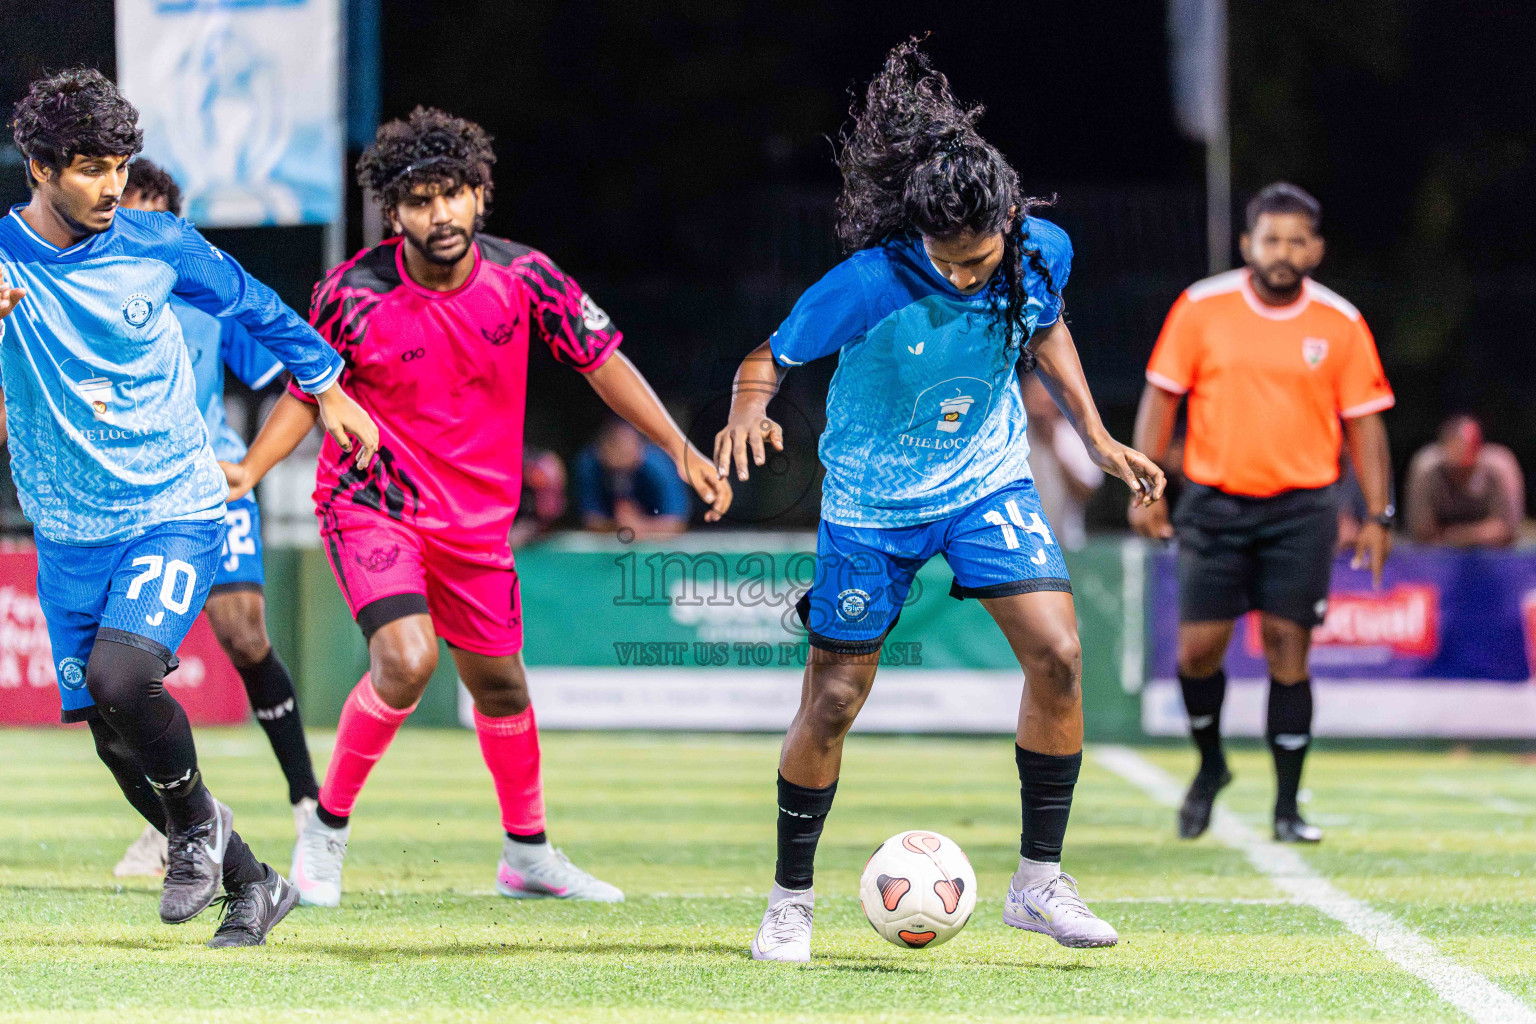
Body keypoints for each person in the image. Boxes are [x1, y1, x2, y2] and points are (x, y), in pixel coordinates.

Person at [716, 41, 1165, 963]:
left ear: (1008, 215)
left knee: (1061, 656)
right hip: (872, 504)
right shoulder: (870, 282)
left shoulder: (1041, 250)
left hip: (985, 481)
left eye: (977, 258)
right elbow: (766, 358)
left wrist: (1095, 435)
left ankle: (1039, 885)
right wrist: (746, 410)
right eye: (946, 260)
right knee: (835, 698)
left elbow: (1045, 330)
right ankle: (789, 901)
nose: (963, 275)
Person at [221, 107, 731, 907]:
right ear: (393, 213)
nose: (441, 213)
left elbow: (604, 364)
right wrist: (251, 470)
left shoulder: (527, 277)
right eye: (419, 200)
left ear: (481, 195)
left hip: (475, 524)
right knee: (408, 660)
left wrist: (679, 447)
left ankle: (526, 854)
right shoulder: (349, 293)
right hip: (371, 505)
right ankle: (325, 828)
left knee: (502, 690)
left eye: (454, 193)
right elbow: (305, 390)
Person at [0, 70, 377, 946]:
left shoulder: (159, 243)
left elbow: (263, 309)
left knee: (121, 680)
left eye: (118, 166)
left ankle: (198, 833)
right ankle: (251, 881)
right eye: (90, 167)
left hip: (174, 504)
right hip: (69, 532)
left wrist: (328, 386)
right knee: (113, 737)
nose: (109, 186)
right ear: (40, 168)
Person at [1130, 182, 1395, 845]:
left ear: (1316, 248)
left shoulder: (1341, 322)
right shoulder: (1200, 307)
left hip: (1303, 509)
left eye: (1296, 239)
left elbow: (1365, 426)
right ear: (1248, 244)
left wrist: (1378, 514)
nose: (1282, 251)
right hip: (1214, 506)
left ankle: (1286, 806)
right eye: (1270, 238)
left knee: (1288, 650)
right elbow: (1161, 398)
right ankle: (1212, 765)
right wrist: (1147, 484)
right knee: (1197, 653)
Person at [110, 160, 321, 878]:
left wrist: (252, 461)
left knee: (244, 633)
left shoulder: (205, 303)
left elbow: (287, 377)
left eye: (153, 215)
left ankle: (306, 799)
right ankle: (174, 822)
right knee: (130, 666)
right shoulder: (86, 300)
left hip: (212, 484)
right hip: (126, 494)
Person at [1405, 414, 1524, 548]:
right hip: (1440, 555)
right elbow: (1421, 531)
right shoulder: (1427, 469)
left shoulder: (1500, 467)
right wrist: (1480, 533)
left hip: (1491, 554)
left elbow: (1508, 529)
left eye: (1468, 468)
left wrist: (1459, 536)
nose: (1462, 472)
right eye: (1457, 468)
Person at [1022, 374, 1104, 550]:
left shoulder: (1072, 436)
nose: (1041, 410)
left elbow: (1086, 492)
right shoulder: (1014, 439)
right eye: (1036, 401)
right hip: (1023, 543)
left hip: (1066, 545)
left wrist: (1053, 448)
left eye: (1047, 402)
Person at [573, 418, 692, 539]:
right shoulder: (589, 465)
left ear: (638, 450)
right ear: (601, 453)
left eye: (627, 468)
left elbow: (677, 523)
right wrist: (621, 525)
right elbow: (591, 520)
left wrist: (639, 526)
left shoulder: (659, 466)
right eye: (614, 470)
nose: (620, 478)